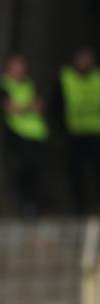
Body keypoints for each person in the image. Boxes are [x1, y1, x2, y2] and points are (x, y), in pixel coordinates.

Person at [0, 53, 49, 216]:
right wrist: (29, 106)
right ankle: (23, 205)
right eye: (15, 66)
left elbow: (40, 105)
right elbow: (11, 109)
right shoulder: (3, 86)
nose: (19, 69)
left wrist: (22, 108)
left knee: (35, 172)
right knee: (21, 172)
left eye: (21, 66)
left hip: (36, 135)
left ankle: (32, 205)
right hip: (17, 136)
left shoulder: (30, 84)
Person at [54, 46, 100, 214]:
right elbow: (57, 105)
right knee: (76, 172)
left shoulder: (97, 78)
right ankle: (78, 207)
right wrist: (62, 130)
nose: (85, 63)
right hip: (74, 133)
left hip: (96, 132)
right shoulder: (66, 78)